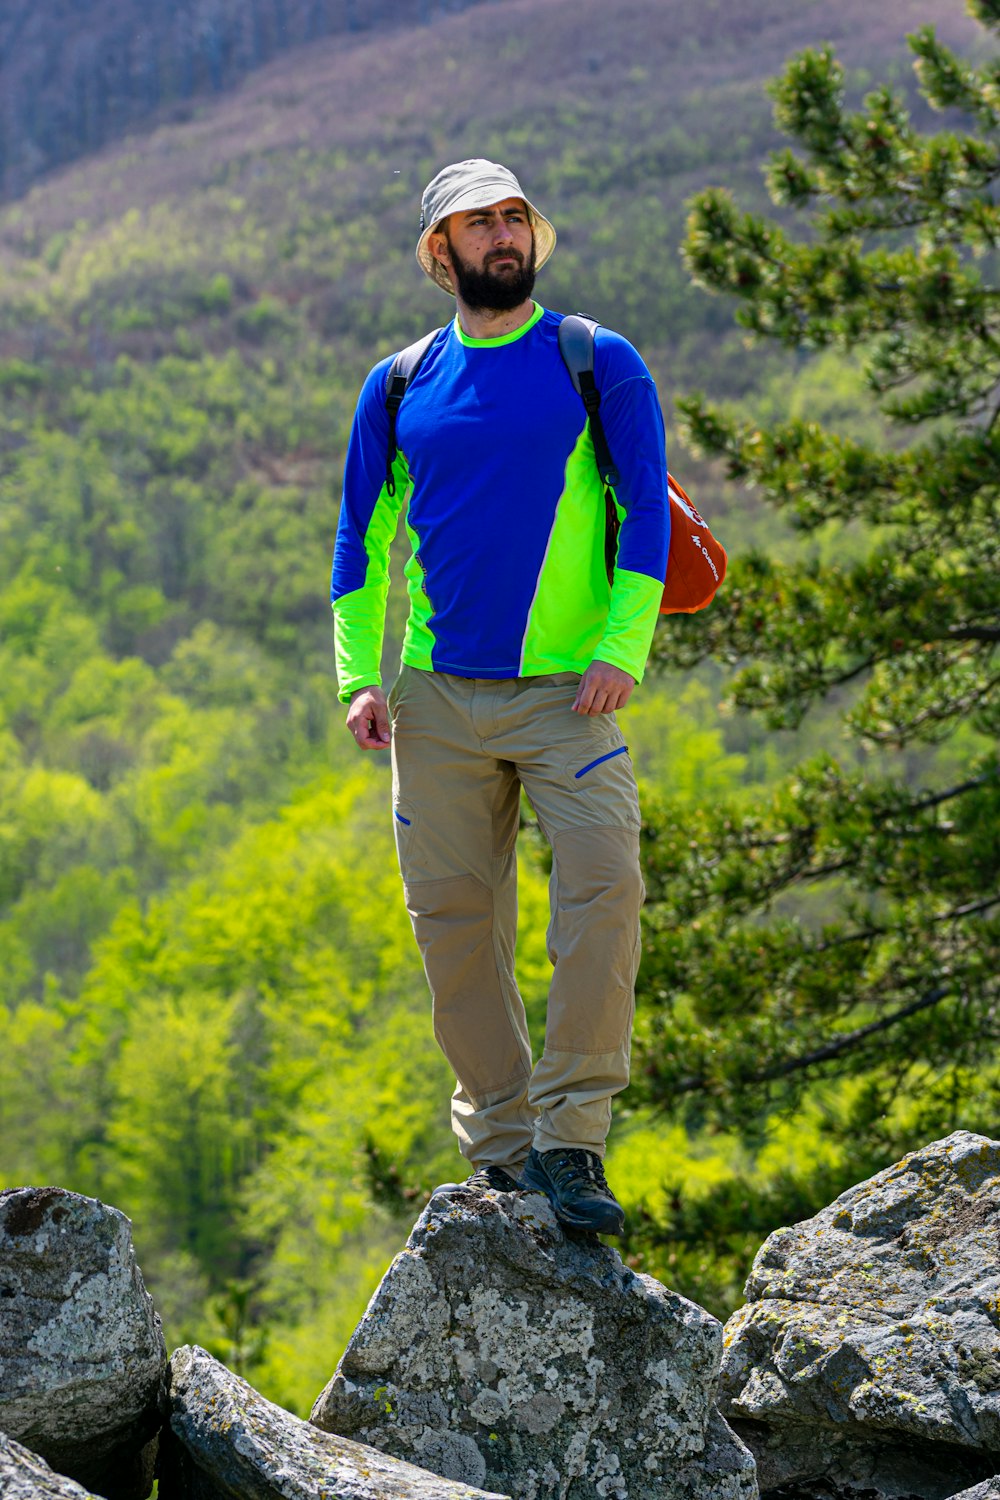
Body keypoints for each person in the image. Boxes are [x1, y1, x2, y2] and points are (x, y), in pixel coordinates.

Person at [331, 159, 670, 1236]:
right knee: (454, 928)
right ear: (442, 253)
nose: (502, 235)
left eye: (515, 217)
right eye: (479, 224)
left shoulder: (593, 360)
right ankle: (504, 1152)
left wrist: (624, 649)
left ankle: (573, 1145)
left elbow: (647, 515)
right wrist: (357, 675)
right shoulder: (397, 385)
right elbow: (360, 540)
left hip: (571, 698)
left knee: (604, 894)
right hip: (434, 703)